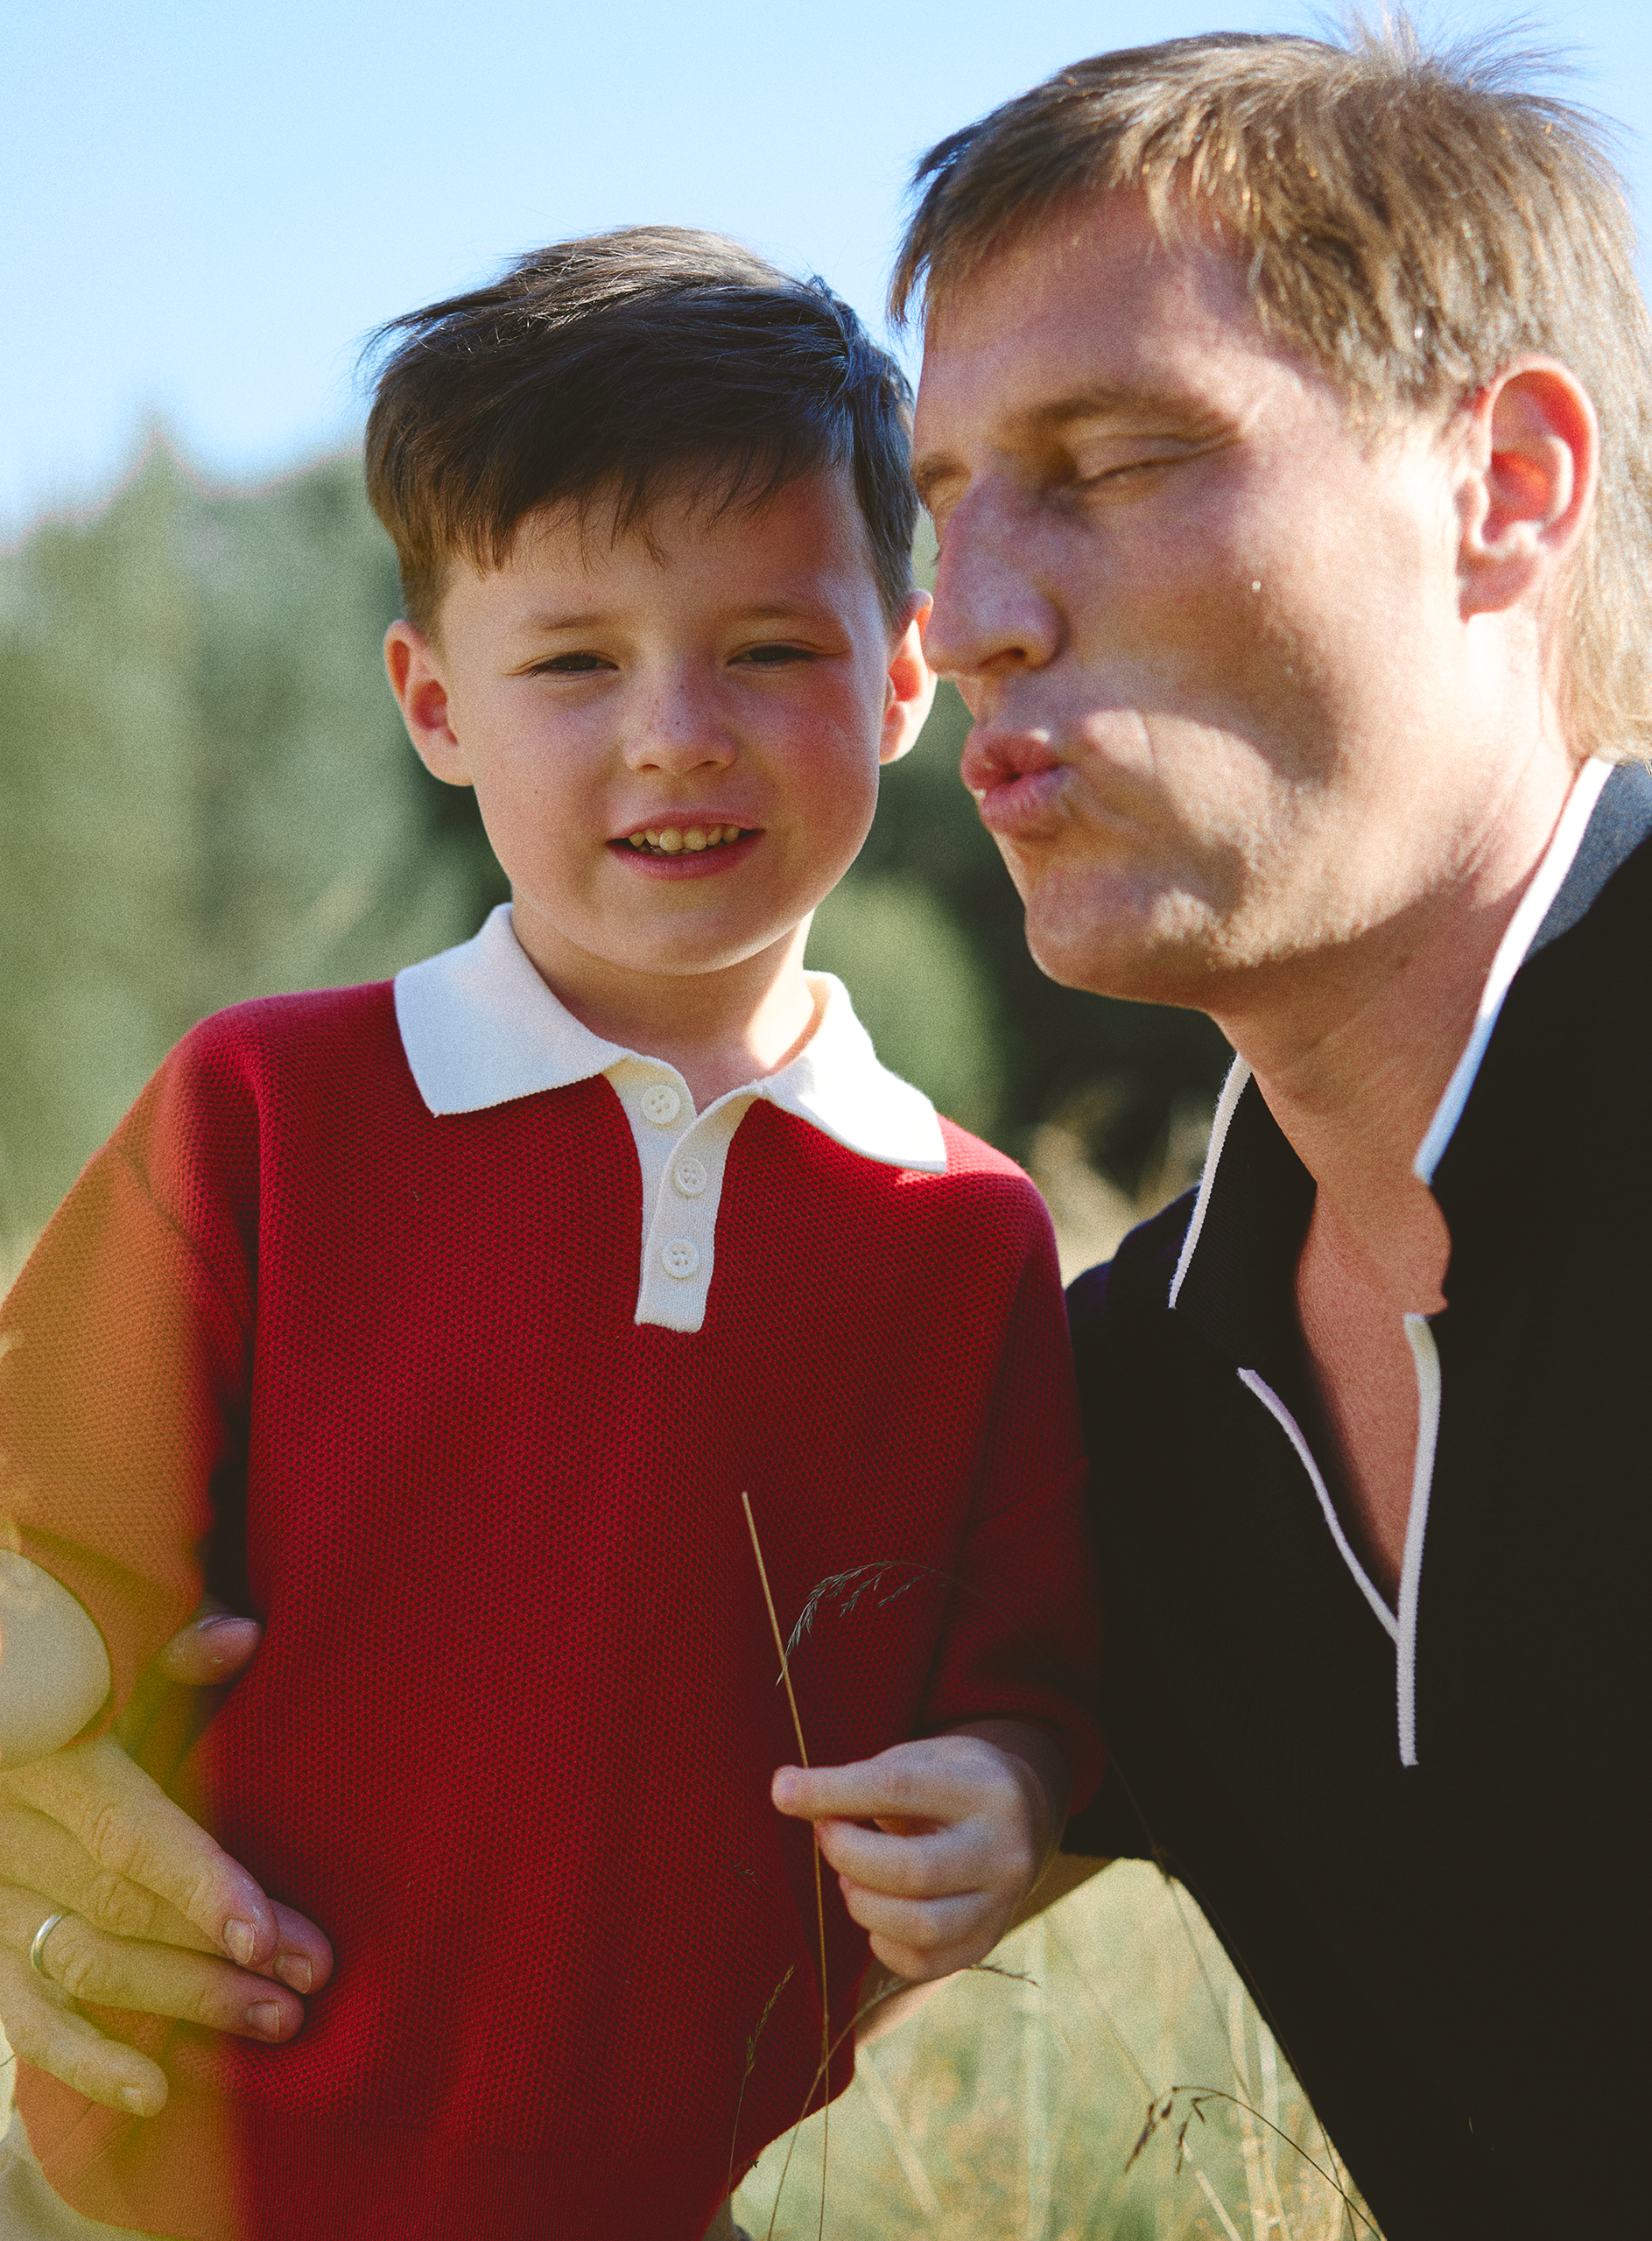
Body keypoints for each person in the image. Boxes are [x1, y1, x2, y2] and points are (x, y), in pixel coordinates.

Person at [0, 228, 1100, 2241]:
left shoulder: (961, 1231)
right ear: (435, 701)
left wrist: (1009, 1791)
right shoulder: (266, 1112)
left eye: (769, 648)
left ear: (903, 677)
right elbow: (55, 1538)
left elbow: (1019, 1668)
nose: (675, 728)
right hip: (192, 2167)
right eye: (575, 660)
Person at [895, 21, 1652, 2238]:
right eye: (942, 501)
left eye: (1114, 460)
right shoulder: (1123, 1407)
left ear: (1508, 483)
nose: (968, 619)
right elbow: (597, 1931)